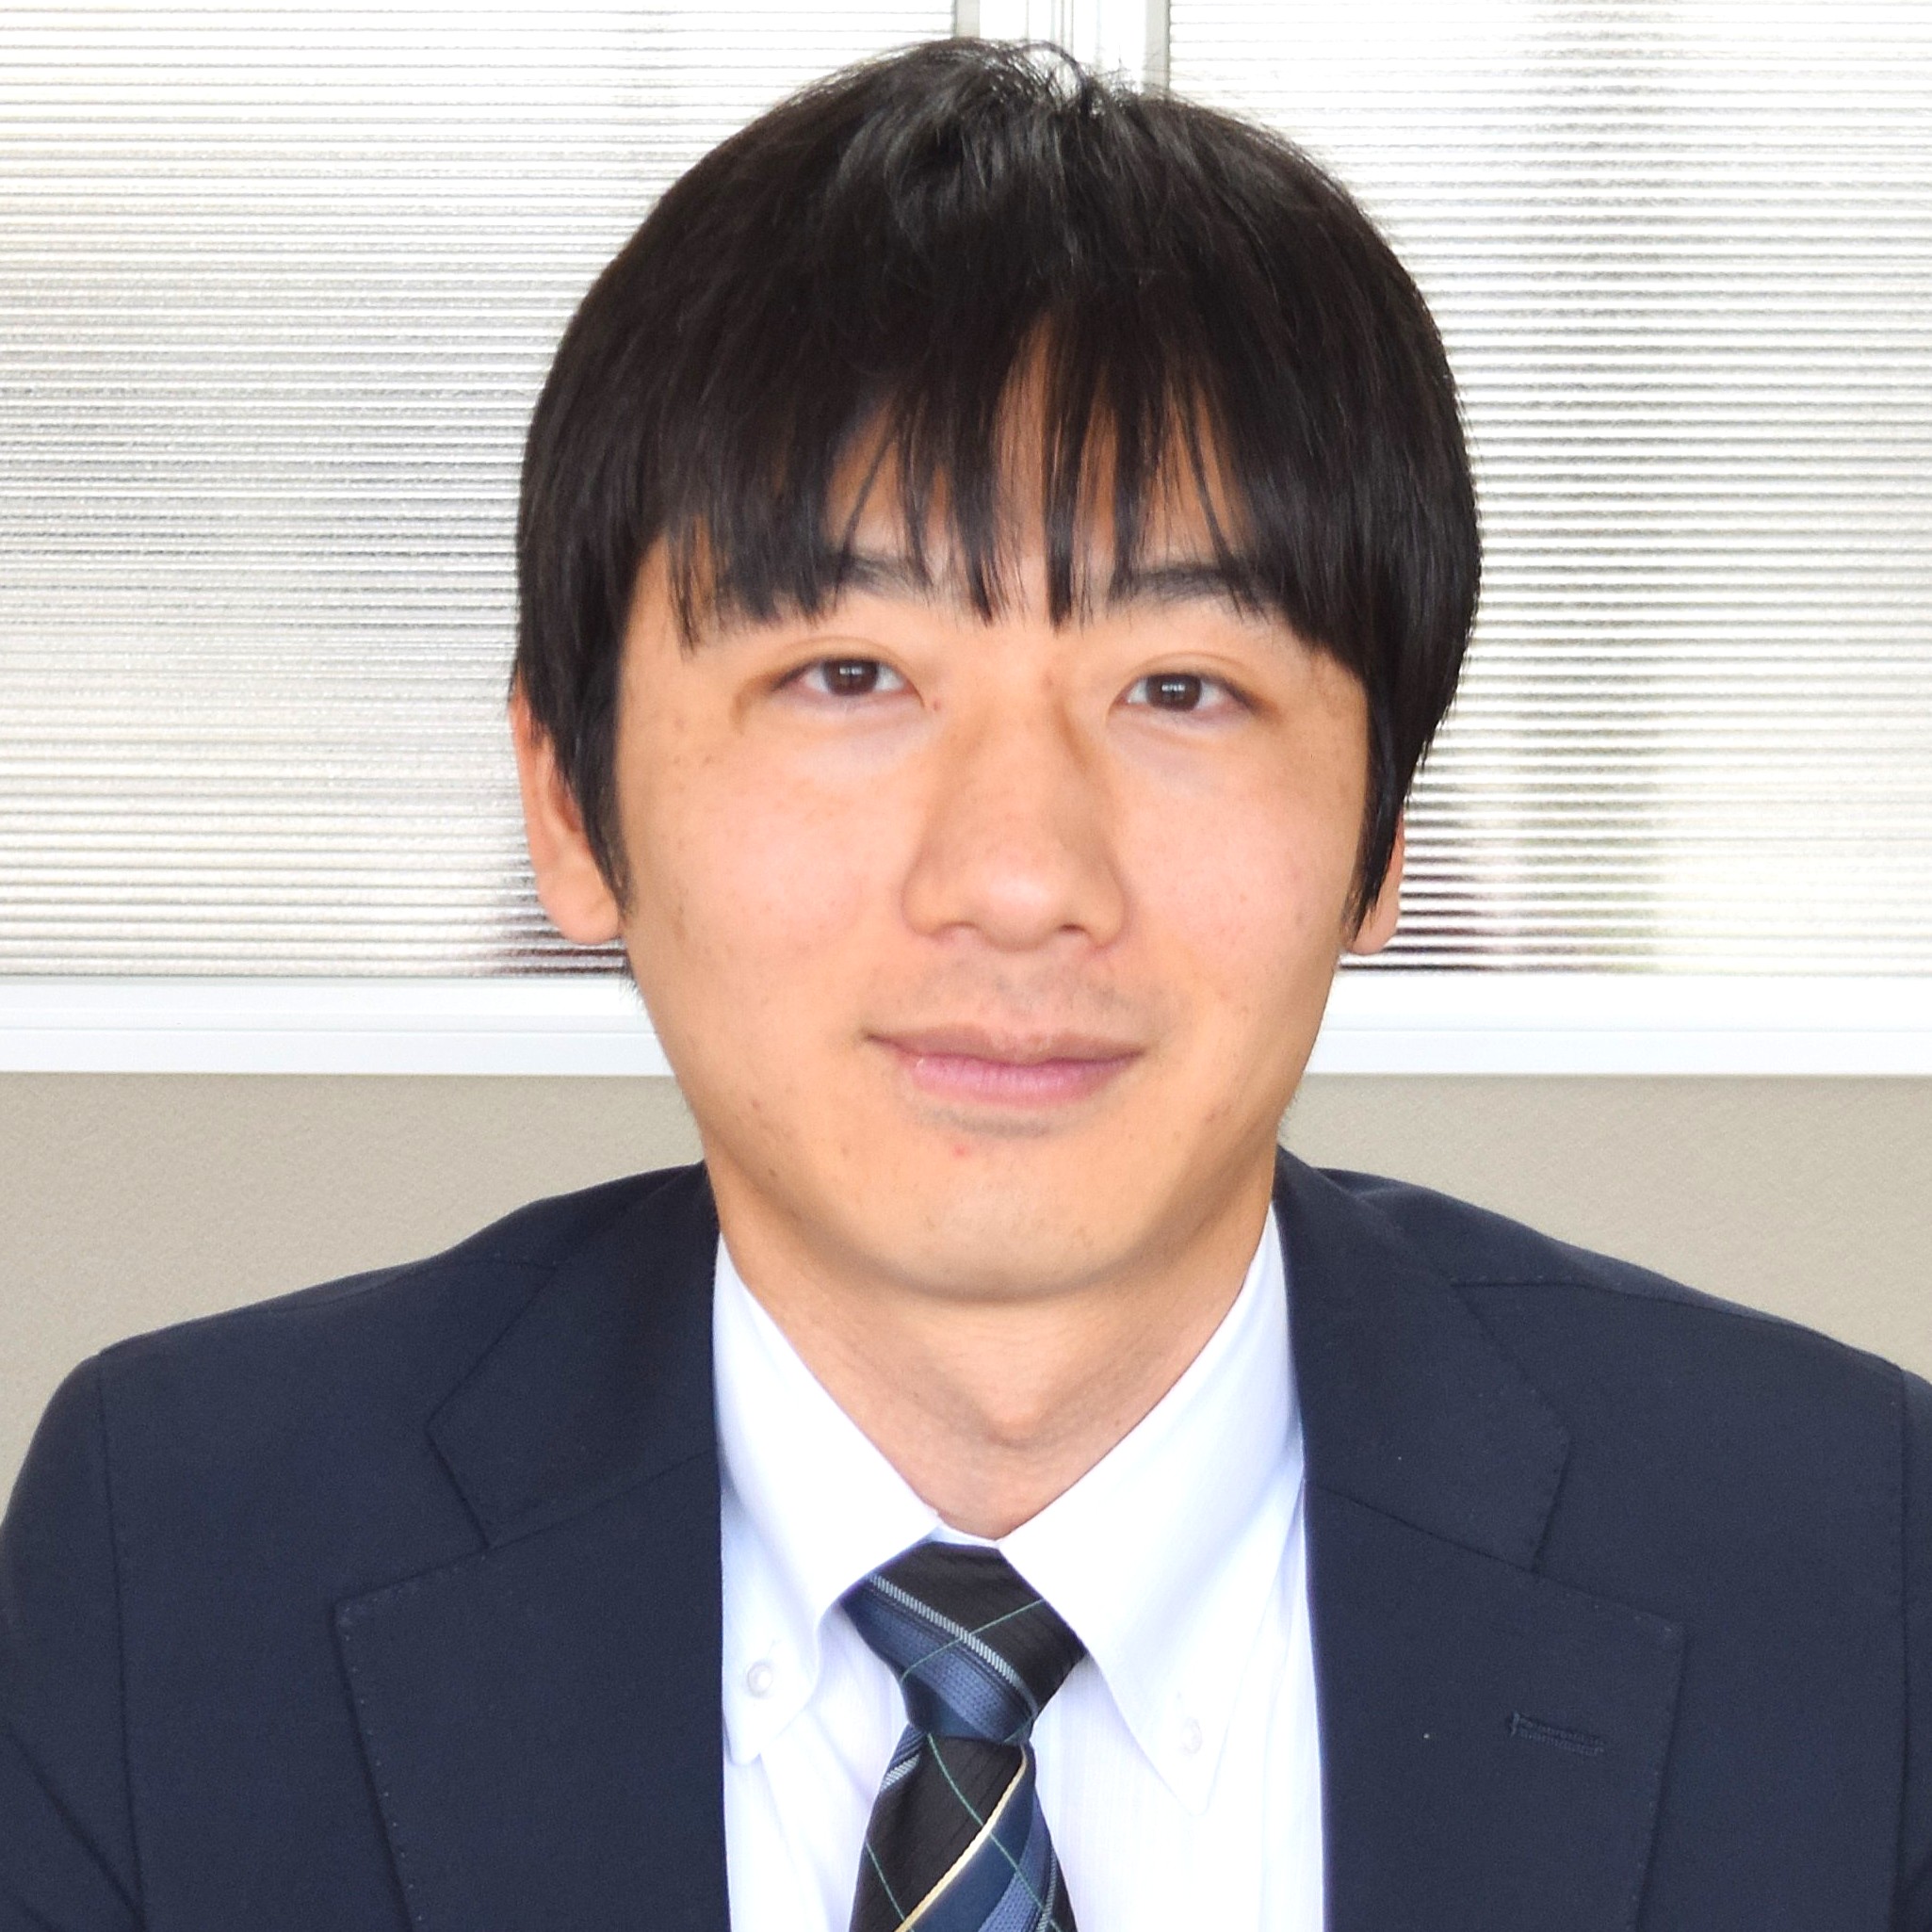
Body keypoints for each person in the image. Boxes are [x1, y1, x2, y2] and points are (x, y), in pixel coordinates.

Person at [3, 35, 1927, 1932]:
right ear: (570, 803)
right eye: (850, 677)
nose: (1019, 880)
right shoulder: (176, 1558)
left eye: (1182, 689)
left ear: (1381, 835)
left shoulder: (1848, 1569)